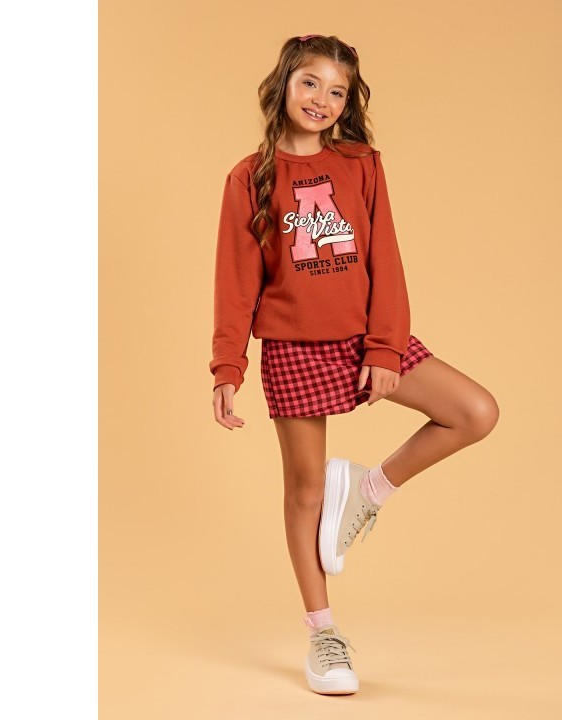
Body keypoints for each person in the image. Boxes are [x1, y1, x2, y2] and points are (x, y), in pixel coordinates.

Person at [209, 34, 500, 695]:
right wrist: (228, 367)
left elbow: (385, 259)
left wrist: (384, 348)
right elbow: (236, 280)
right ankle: (323, 635)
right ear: (283, 84)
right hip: (292, 347)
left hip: (362, 336)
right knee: (304, 492)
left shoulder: (361, 164)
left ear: (348, 104)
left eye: (337, 91)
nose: (322, 99)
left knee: (475, 412)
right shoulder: (248, 177)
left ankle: (367, 492)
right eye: (311, 83)